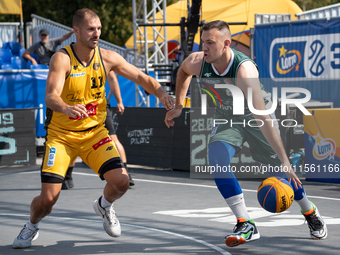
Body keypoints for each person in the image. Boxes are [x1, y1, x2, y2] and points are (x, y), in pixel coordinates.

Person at [13, 8, 174, 249]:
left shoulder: (107, 57)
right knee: (48, 199)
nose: (96, 33)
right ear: (76, 31)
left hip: (94, 134)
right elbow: (50, 96)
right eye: (90, 29)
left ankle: (104, 206)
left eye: (98, 28)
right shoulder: (62, 58)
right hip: (62, 137)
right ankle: (32, 225)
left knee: (121, 182)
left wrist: (161, 92)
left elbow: (140, 77)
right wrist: (65, 107)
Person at [165, 20, 327, 247]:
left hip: (256, 119)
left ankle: (309, 212)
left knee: (284, 171)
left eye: (210, 43)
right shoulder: (198, 62)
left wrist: (284, 161)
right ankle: (245, 222)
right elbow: (182, 71)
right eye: (203, 42)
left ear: (226, 44)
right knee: (216, 160)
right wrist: (179, 104)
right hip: (228, 120)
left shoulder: (244, 70)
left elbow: (262, 117)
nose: (205, 47)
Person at [62, 71, 135, 190]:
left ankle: (67, 178)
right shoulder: (102, 59)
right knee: (113, 137)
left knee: (76, 138)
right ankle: (126, 173)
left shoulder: (77, 59)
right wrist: (119, 101)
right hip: (97, 103)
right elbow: (112, 79)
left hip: (84, 104)